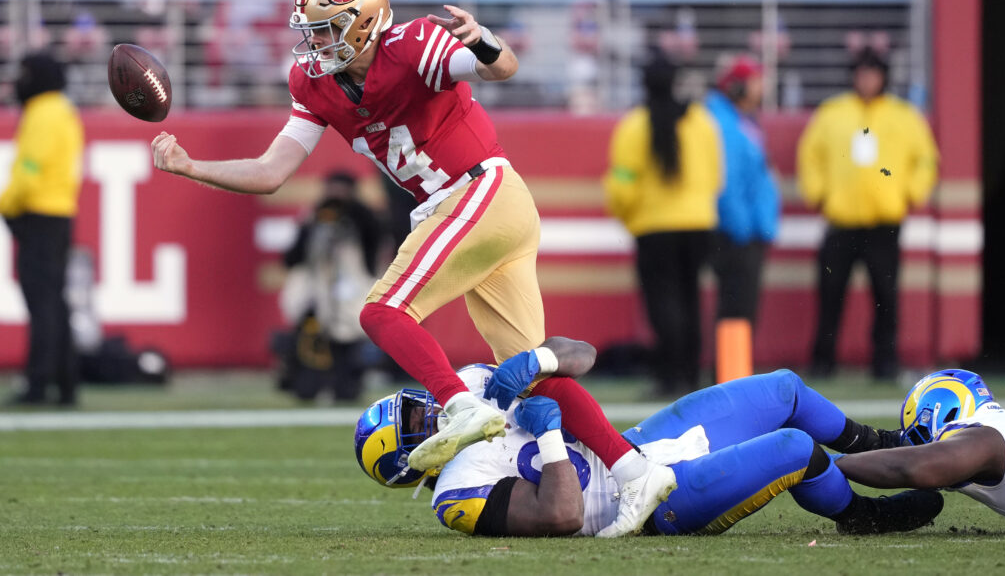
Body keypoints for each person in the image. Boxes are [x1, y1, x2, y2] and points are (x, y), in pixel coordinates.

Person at [149, 0, 675, 537]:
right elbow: (273, 170)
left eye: (326, 29)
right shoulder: (314, 83)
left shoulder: (414, 44)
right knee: (531, 378)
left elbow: (500, 69)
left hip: (478, 190)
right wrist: (191, 166)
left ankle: (460, 405)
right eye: (312, 29)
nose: (315, 42)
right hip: (476, 205)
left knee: (382, 310)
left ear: (364, 23)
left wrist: (485, 41)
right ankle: (635, 471)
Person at [354, 338, 943, 537]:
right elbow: (559, 515)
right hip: (647, 503)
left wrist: (535, 358)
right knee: (794, 448)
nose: (428, 413)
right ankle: (861, 515)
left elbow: (581, 355)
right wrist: (552, 439)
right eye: (413, 426)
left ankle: (886, 445)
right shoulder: (456, 493)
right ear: (410, 462)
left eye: (412, 407)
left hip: (640, 442)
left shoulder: (469, 389)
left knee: (785, 390)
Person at [797, 47, 938, 379]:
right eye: (861, 73)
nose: (867, 80)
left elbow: (927, 159)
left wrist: (910, 194)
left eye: (873, 73)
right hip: (842, 220)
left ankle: (885, 363)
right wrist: (819, 194)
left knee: (886, 298)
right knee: (831, 294)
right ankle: (823, 361)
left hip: (884, 222)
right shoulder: (832, 113)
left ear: (884, 77)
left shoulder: (903, 115)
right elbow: (810, 156)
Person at [604, 55, 721, 395]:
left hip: (654, 226)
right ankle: (691, 375)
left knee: (663, 303)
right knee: (691, 299)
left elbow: (622, 182)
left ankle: (670, 377)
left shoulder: (634, 125)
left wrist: (629, 217)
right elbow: (716, 175)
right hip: (699, 223)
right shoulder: (701, 120)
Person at [836, 369, 1005, 527]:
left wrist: (827, 462)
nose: (920, 445)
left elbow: (911, 466)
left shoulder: (984, 437)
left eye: (921, 434)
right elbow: (891, 444)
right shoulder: (1000, 427)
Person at [0, 53, 84, 406]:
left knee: (43, 304)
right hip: (61, 214)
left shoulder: (41, 113)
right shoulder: (64, 111)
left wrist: (6, 205)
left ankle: (39, 384)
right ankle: (65, 383)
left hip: (38, 216)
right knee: (56, 303)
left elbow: (28, 173)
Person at [279, 171, 381, 401]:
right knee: (309, 343)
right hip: (317, 294)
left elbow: (373, 246)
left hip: (350, 293)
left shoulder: (364, 218)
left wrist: (352, 213)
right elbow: (292, 258)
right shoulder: (314, 218)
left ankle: (346, 386)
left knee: (348, 342)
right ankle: (305, 384)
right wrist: (315, 224)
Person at [703, 56, 779, 334]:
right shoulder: (725, 124)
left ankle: (735, 372)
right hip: (738, 234)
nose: (760, 89)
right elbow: (728, 181)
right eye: (754, 82)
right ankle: (732, 373)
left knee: (742, 309)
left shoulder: (740, 121)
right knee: (737, 309)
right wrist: (743, 228)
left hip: (747, 230)